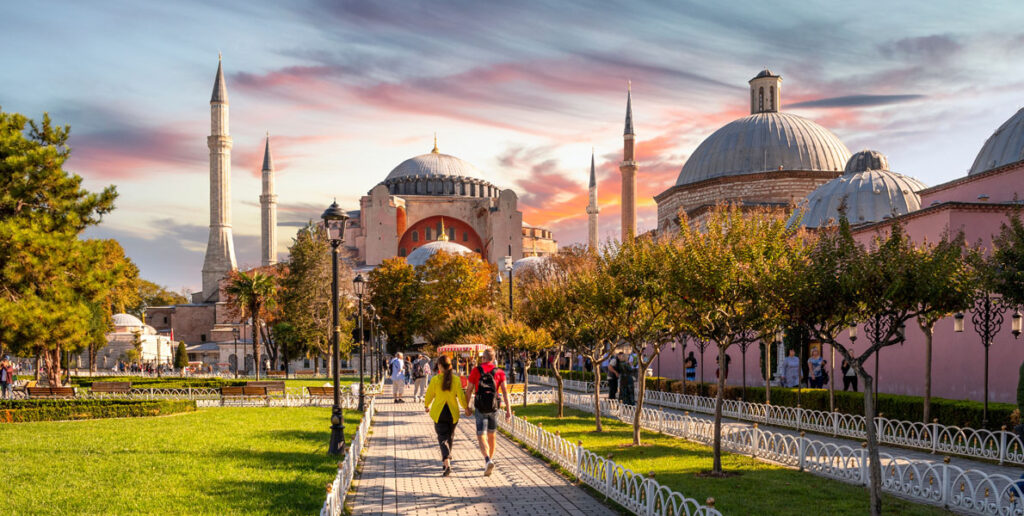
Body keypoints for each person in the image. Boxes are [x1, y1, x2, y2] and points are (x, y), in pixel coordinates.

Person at [464, 348, 512, 476]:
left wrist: (466, 406)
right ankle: (490, 460)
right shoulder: (500, 372)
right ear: (494, 358)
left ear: (484, 358)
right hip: (494, 406)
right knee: (492, 434)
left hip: (480, 406)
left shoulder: (476, 370)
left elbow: (469, 390)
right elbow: (505, 392)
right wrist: (509, 410)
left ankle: (487, 460)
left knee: (481, 435)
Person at [424, 355, 467, 477]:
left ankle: (447, 461)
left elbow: (429, 394)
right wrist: (466, 407)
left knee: (442, 438)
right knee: (450, 437)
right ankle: (446, 460)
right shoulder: (456, 380)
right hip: (452, 413)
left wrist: (426, 405)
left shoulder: (435, 379)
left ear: (440, 366)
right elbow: (461, 396)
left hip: (439, 412)